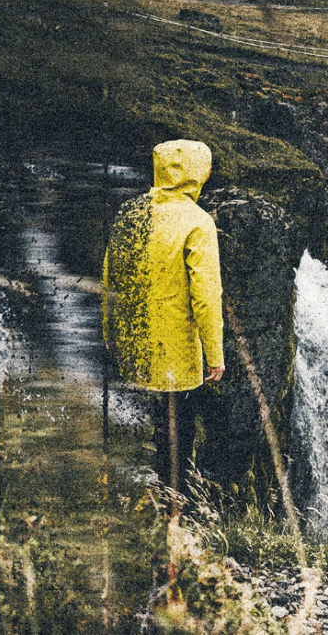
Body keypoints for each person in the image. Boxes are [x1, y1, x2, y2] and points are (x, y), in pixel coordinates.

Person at [102, 139, 226, 500]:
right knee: (178, 431)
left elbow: (110, 275)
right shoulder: (197, 222)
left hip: (133, 341)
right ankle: (175, 504)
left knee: (139, 424)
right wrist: (214, 354)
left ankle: (133, 494)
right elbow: (205, 295)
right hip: (176, 350)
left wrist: (110, 330)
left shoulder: (131, 211)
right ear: (195, 173)